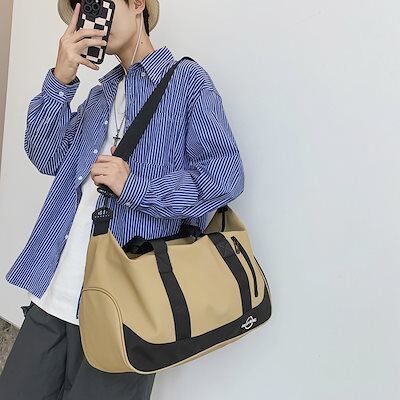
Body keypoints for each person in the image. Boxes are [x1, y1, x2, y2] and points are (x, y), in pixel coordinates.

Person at [0, 0, 245, 398]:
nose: (94, 18)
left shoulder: (188, 84)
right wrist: (61, 78)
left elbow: (225, 176)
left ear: (137, 5)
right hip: (54, 295)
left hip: (125, 311)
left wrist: (135, 185)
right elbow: (45, 155)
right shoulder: (102, 93)